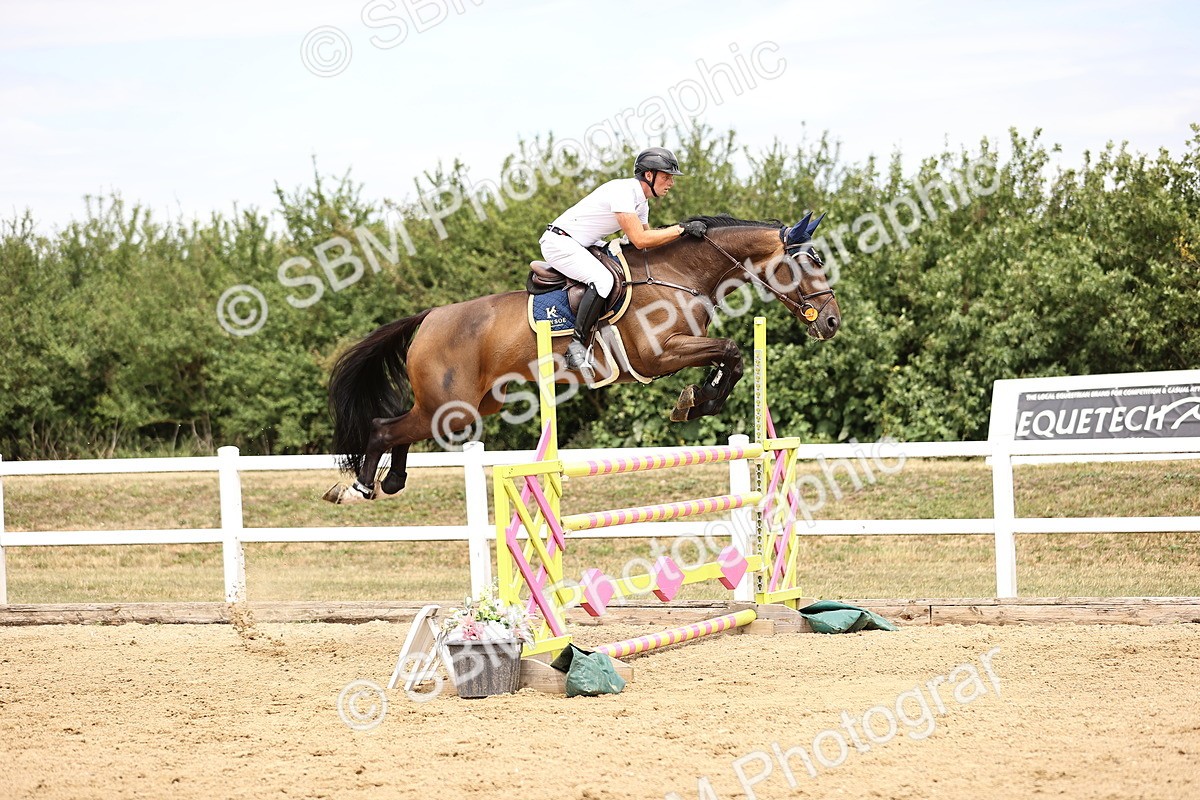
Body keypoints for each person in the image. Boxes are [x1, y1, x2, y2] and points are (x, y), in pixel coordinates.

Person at [540, 146, 708, 369]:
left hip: (585, 243)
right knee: (603, 280)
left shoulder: (641, 202)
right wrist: (681, 229)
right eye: (667, 177)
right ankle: (576, 348)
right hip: (560, 243)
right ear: (649, 175)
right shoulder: (623, 192)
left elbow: (649, 240)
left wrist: (683, 241)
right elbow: (640, 239)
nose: (671, 183)